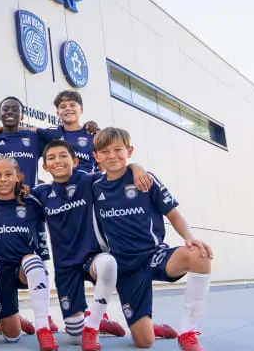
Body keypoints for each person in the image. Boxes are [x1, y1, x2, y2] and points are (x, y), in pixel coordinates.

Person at [91, 128, 212, 351]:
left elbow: (173, 213)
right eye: (105, 152)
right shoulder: (94, 186)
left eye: (118, 150)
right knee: (144, 342)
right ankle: (149, 326)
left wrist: (189, 237)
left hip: (154, 255)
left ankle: (188, 332)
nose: (112, 156)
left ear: (129, 151)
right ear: (96, 156)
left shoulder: (146, 179)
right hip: (125, 266)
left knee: (199, 254)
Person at [30, 140, 155, 350]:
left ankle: (95, 323)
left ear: (75, 161)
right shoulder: (41, 193)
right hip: (65, 266)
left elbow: (117, 171)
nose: (58, 160)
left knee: (108, 263)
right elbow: (12, 201)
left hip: (92, 257)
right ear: (44, 167)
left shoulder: (90, 182)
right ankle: (98, 322)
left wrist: (136, 167)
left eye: (63, 156)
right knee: (74, 338)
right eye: (51, 158)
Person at [0, 156, 59, 351]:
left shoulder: (32, 203)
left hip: (25, 269)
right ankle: (16, 319)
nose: (3, 179)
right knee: (12, 338)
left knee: (32, 259)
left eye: (8, 174)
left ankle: (43, 329)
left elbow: (58, 195)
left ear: (18, 177)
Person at [0, 91, 99, 175]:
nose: (68, 109)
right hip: (62, 191)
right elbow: (25, 128)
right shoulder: (52, 134)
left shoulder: (93, 134)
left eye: (72, 105)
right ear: (57, 113)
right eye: (63, 106)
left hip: (87, 190)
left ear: (81, 109)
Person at [0, 97, 44, 188]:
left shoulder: (34, 137)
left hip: (29, 198)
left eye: (15, 109)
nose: (10, 112)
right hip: (3, 199)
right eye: (5, 109)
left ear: (22, 116)